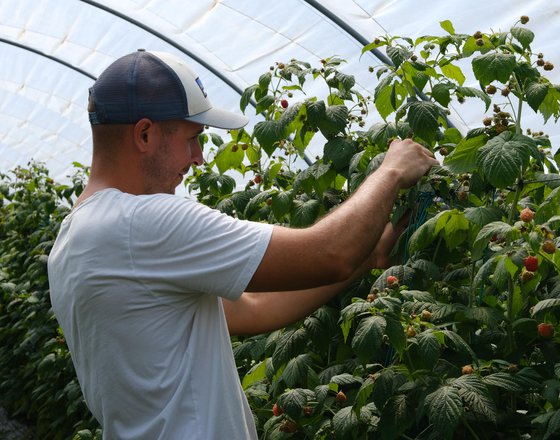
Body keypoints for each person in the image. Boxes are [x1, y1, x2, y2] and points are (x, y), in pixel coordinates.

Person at [47, 50, 437, 440]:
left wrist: (365, 256)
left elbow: (248, 310)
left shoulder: (73, 240)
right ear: (145, 133)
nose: (199, 158)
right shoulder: (142, 223)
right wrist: (391, 171)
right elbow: (329, 252)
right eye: (192, 138)